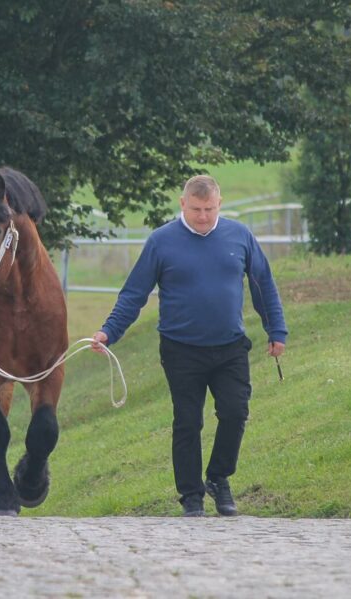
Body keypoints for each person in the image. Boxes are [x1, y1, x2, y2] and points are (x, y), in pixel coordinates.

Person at [91, 175, 287, 517]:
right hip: (181, 349)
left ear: (219, 204)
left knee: (235, 411)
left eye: (209, 209)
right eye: (196, 209)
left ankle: (218, 478)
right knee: (187, 421)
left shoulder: (239, 236)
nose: (203, 216)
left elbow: (263, 285)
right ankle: (191, 496)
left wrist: (276, 330)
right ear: (183, 204)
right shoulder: (161, 241)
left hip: (229, 347)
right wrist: (109, 332)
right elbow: (134, 294)